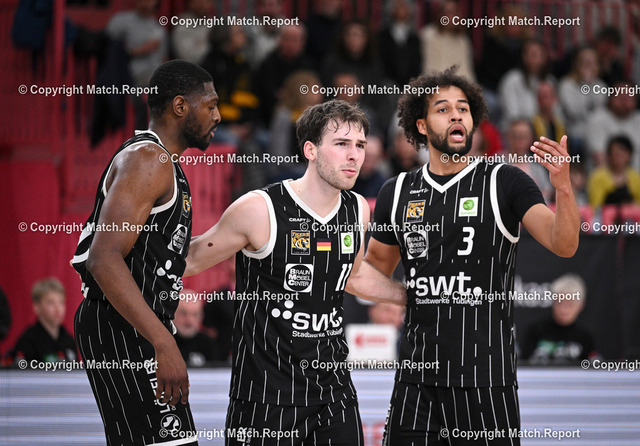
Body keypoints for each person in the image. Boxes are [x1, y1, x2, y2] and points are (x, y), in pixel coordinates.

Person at [366, 67, 580, 445]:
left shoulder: (506, 181)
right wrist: (405, 294)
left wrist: (563, 188)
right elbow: (370, 273)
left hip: (486, 380)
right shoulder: (396, 191)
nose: (456, 116)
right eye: (443, 109)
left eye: (463, 109)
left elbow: (564, 244)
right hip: (416, 379)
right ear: (421, 125)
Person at [185, 99, 406, 445]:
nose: (354, 155)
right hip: (265, 397)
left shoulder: (357, 208)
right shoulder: (259, 208)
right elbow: (189, 260)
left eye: (360, 145)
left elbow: (353, 275)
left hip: (334, 394)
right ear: (310, 150)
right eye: (342, 144)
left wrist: (413, 295)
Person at [72, 60, 220, 445]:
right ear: (180, 106)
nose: (218, 116)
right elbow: (103, 258)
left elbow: (167, 258)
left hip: (132, 324)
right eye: (210, 105)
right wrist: (163, 342)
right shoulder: (149, 160)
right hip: (121, 325)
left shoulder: (165, 163)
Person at [521, 274, 596, 365]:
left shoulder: (585, 338)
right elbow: (523, 365)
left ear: (580, 305)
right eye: (560, 303)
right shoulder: (535, 331)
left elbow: (592, 369)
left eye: (570, 304)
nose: (563, 309)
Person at [11, 277, 76, 364]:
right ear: (36, 307)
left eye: (61, 302)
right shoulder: (27, 341)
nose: (58, 309)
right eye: (50, 303)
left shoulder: (69, 340)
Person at [587, 135, 640, 207]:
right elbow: (596, 205)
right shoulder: (597, 177)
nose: (619, 159)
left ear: (629, 155)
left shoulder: (635, 177)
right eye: (616, 154)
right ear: (609, 155)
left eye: (622, 155)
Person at [173, 289, 220, 367]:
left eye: (195, 314)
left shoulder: (207, 343)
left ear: (201, 317)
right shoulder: (163, 342)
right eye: (183, 313)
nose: (189, 320)